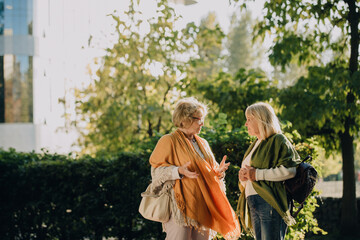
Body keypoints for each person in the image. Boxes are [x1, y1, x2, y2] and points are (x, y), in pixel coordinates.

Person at [146, 97, 241, 240]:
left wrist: (218, 173)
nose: (202, 123)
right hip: (180, 208)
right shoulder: (168, 141)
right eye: (198, 119)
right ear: (184, 119)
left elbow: (210, 173)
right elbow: (156, 173)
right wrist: (178, 171)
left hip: (203, 207)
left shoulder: (203, 143)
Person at [237, 102, 301, 240]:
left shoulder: (278, 140)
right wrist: (243, 177)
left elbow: (290, 170)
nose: (246, 124)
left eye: (249, 119)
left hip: (269, 200)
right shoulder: (255, 144)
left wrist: (257, 174)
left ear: (260, 120)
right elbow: (250, 178)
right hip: (254, 201)